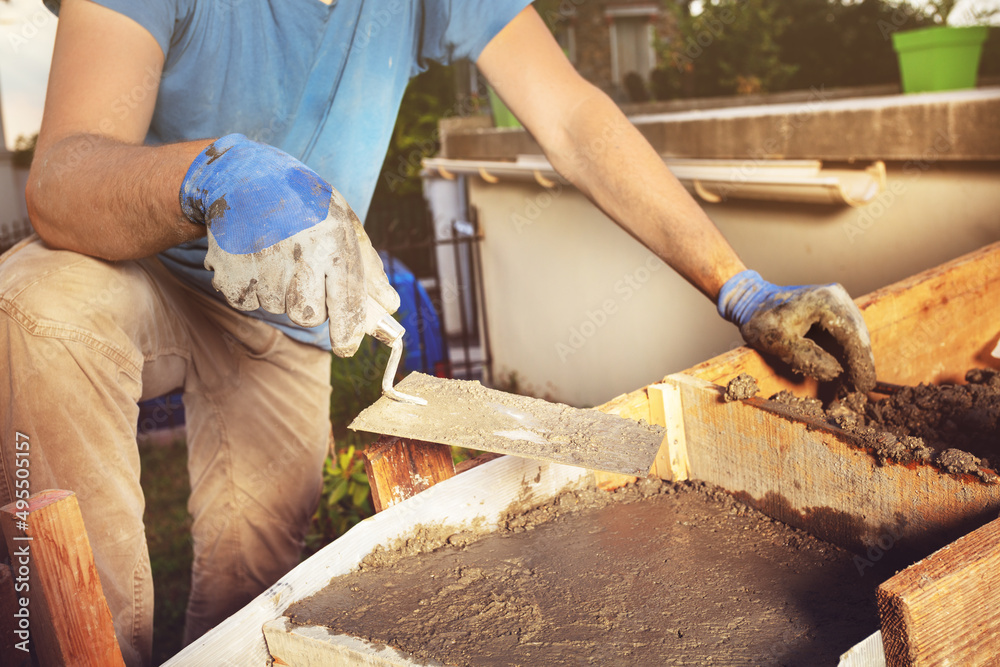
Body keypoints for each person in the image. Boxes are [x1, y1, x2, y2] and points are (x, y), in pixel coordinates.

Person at [0, 1, 875, 664]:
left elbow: (570, 116)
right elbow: (65, 175)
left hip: (289, 313)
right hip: (141, 268)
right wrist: (207, 175)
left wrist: (742, 287)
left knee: (254, 596)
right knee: (37, 306)